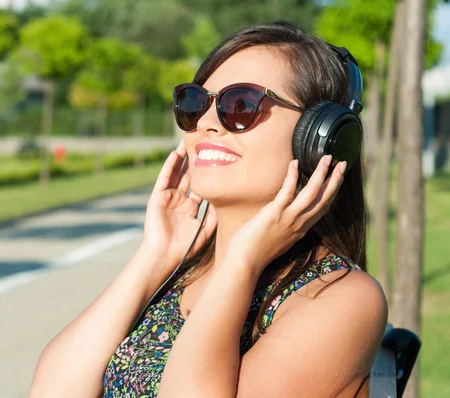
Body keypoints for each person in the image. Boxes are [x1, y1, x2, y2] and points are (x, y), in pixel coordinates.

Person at [28, 20, 388, 398]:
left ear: (320, 139)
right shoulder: (182, 271)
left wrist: (242, 262)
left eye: (241, 104)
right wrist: (154, 257)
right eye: (195, 102)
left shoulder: (340, 299)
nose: (206, 123)